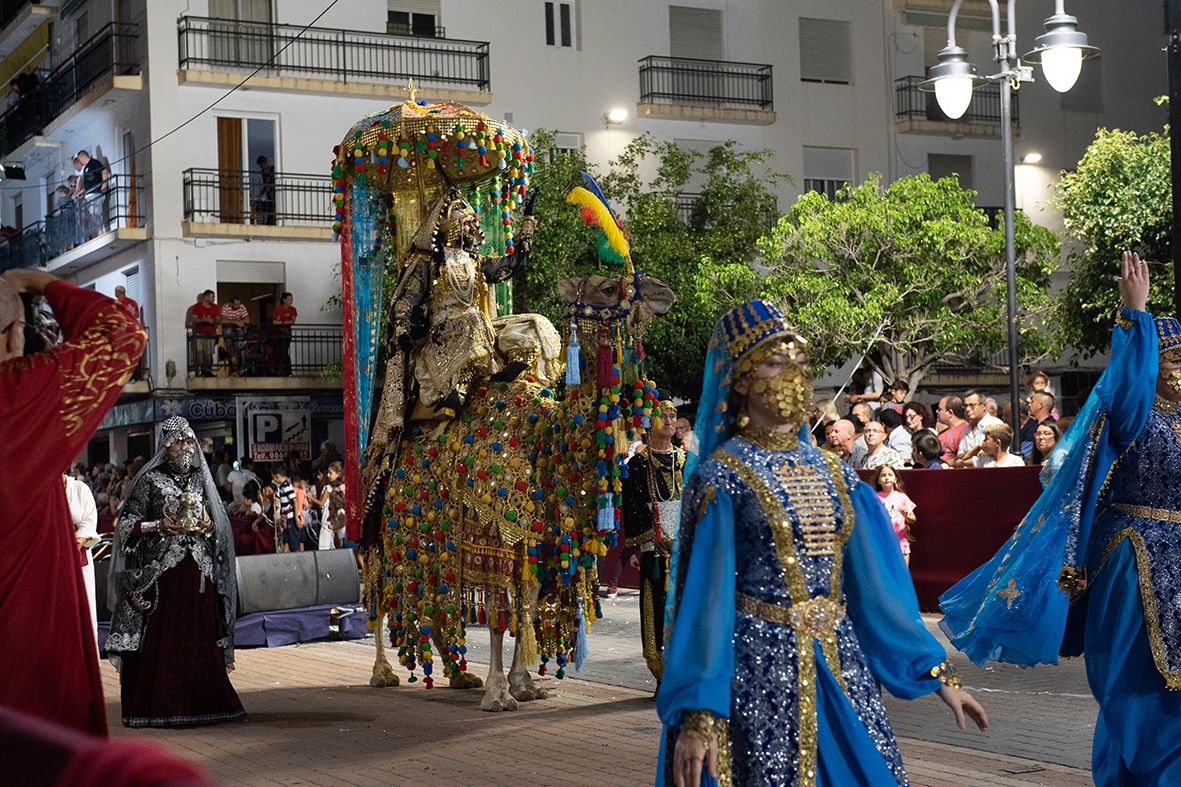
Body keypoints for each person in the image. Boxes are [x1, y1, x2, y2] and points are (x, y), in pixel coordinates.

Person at [657, 300, 986, 787]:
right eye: (774, 361)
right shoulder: (722, 478)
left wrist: (937, 674)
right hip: (754, 679)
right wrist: (698, 712)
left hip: (840, 670)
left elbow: (878, 590)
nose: (791, 373)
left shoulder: (837, 475)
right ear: (741, 378)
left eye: (797, 361)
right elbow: (705, 601)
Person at [941, 253, 1181, 784]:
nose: (1180, 370)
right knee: (1133, 687)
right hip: (1134, 559)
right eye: (1170, 359)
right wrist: (1134, 316)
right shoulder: (1132, 413)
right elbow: (1126, 391)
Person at [0, 267, 145, 736]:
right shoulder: (25, 393)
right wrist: (43, 284)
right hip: (26, 655)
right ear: (13, 337)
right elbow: (123, 334)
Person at [106, 416, 244, 728]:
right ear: (166, 446)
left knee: (200, 634)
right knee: (164, 636)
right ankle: (161, 705)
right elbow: (125, 526)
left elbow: (216, 520)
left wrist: (209, 526)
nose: (186, 446)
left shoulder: (200, 480)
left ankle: (203, 703)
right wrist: (158, 525)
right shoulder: (149, 480)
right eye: (180, 441)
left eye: (189, 441)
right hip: (163, 575)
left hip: (199, 573)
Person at [622, 400, 685, 686]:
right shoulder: (637, 465)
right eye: (663, 415)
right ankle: (663, 676)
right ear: (649, 424)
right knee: (657, 609)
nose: (670, 420)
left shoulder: (688, 461)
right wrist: (656, 538)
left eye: (673, 415)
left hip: (687, 550)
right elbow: (633, 508)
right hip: (656, 549)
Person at [64, 473, 100, 648]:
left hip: (77, 556)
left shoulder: (79, 489)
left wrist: (74, 544)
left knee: (81, 604)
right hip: (49, 555)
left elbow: (89, 521)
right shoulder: (39, 490)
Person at [872, 464, 916, 566]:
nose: (887, 477)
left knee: (903, 574)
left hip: (900, 543)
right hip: (881, 543)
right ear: (878, 481)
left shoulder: (902, 497)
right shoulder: (875, 498)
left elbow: (913, 519)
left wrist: (906, 516)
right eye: (883, 475)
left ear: (895, 479)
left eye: (890, 475)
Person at [952, 390, 1003, 467]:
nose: (968, 409)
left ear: (984, 406)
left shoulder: (995, 425)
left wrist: (967, 456)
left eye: (972, 405)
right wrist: (974, 453)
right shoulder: (966, 429)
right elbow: (958, 458)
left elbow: (997, 454)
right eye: (965, 406)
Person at [186, 290, 220, 377]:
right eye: (212, 297)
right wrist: (202, 320)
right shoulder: (196, 307)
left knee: (209, 354)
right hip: (199, 333)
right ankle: (201, 371)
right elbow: (194, 319)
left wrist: (212, 321)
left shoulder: (215, 307)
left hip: (210, 334)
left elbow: (218, 318)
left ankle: (208, 371)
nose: (213, 299)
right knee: (199, 353)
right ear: (206, 297)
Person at [272, 465, 300, 553]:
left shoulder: (286, 486)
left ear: (277, 476)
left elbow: (295, 501)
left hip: (291, 518)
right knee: (287, 539)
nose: (274, 480)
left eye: (274, 478)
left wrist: (296, 518)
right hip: (286, 518)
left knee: (293, 541)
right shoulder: (281, 487)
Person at [219, 294, 249, 376]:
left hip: (238, 330)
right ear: (231, 304)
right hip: (228, 329)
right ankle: (231, 365)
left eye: (239, 304)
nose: (238, 306)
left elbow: (247, 319)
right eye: (236, 304)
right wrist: (236, 322)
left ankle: (239, 367)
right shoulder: (226, 307)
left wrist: (240, 323)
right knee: (229, 341)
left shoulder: (242, 307)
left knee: (239, 347)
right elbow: (223, 321)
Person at [271, 291, 297, 376]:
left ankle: (287, 371)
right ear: (284, 300)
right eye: (289, 299)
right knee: (278, 352)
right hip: (278, 333)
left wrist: (281, 322)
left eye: (291, 299)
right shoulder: (278, 308)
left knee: (284, 351)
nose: (291, 301)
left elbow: (292, 321)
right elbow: (274, 321)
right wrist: (284, 322)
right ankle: (280, 371)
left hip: (286, 334)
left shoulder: (293, 309)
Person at [253, 155, 276, 226]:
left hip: (274, 191)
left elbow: (275, 181)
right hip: (269, 193)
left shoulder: (273, 169)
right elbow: (265, 184)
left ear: (265, 162)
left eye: (261, 164)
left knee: (274, 206)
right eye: (260, 165)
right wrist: (260, 194)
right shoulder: (262, 172)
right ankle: (269, 221)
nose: (261, 166)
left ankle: (273, 221)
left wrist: (270, 188)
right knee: (268, 206)